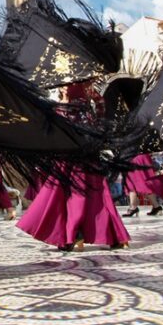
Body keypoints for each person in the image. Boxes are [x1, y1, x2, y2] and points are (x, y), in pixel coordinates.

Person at [16, 82, 131, 251]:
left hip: (70, 148)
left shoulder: (64, 92)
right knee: (94, 191)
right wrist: (96, 123)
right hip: (87, 143)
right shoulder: (86, 82)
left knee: (67, 191)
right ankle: (110, 236)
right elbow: (100, 104)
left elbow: (57, 123)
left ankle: (74, 234)